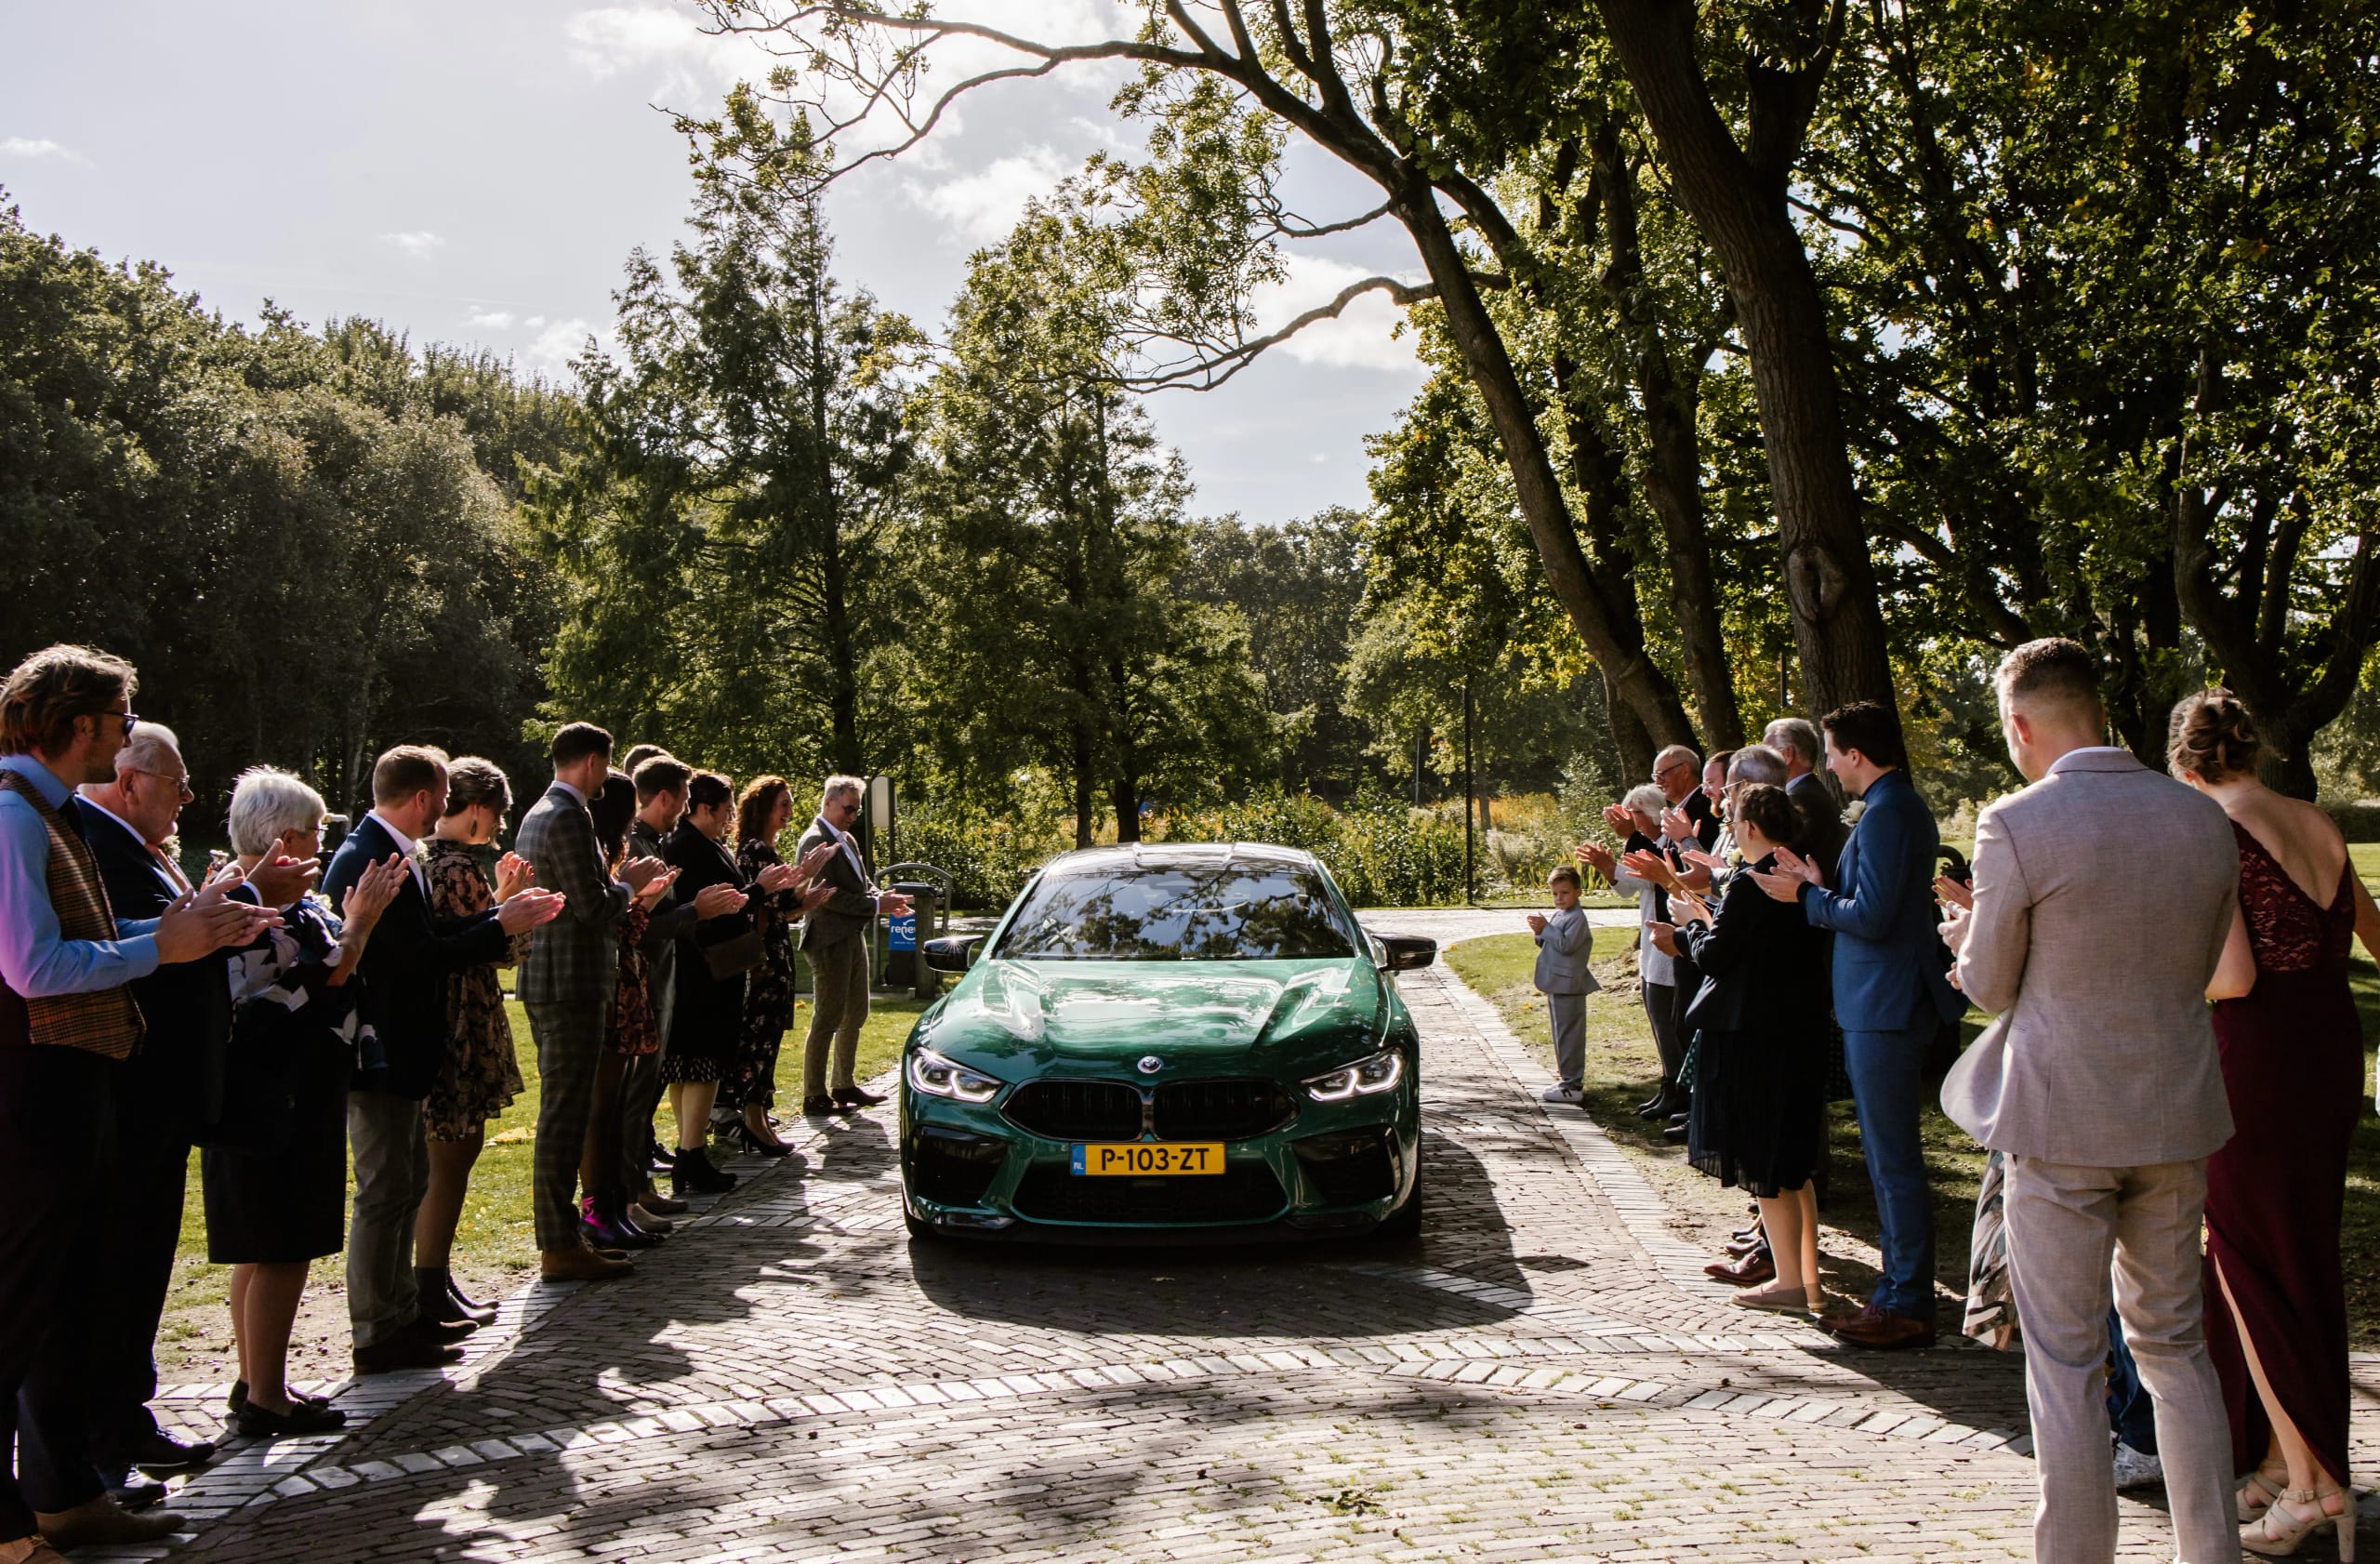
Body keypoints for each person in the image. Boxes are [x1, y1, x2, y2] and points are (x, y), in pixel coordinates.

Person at [1938, 637, 2239, 1564]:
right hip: (2173, 1108)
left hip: (2060, 1117)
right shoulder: (2201, 819)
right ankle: (2211, 1552)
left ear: (2021, 724)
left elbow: (1988, 983)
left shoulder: (2019, 821)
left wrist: (1961, 935)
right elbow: (2192, 962)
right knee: (2175, 1347)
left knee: (2066, 1361)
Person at [0, 645, 269, 1557]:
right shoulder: (13, 815)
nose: (122, 743)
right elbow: (31, 966)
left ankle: (63, 1495)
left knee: (69, 1300)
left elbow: (95, 936)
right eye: (119, 722)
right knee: (21, 1305)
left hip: (76, 1085)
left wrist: (190, 927)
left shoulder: (52, 812)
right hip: (31, 1092)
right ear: (82, 724)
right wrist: (164, 947)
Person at [2169, 689, 2372, 1553]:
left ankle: (2317, 1484)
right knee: (2302, 1252)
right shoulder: (2316, 820)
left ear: (2186, 768)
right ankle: (2287, 1465)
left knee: (2249, 1259)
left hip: (2255, 1055)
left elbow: (2236, 977)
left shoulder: (2209, 831)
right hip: (2331, 1047)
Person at [72, 724, 272, 1491]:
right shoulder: (96, 841)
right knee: (116, 1273)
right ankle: (102, 1441)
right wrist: (199, 922)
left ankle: (124, 1420)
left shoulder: (134, 847)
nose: (188, 799)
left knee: (142, 1268)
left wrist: (221, 915)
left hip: (161, 1098)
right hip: (132, 1091)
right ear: (130, 781)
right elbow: (115, 947)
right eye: (178, 784)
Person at [324, 746, 563, 1367]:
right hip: (381, 1049)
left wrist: (497, 915)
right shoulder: (370, 855)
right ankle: (379, 1329)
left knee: (407, 1184)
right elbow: (413, 958)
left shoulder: (394, 853)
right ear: (426, 799)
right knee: (384, 1191)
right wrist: (499, 923)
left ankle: (405, 1313)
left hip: (407, 1045)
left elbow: (424, 945)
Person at [1752, 700, 1962, 1350]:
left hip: (1886, 1002)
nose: (1834, 767)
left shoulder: (1890, 812)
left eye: (1836, 753)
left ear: (1856, 756)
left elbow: (1870, 917)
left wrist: (1807, 898)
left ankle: (1905, 1299)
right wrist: (1819, 877)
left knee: (1892, 1157)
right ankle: (1900, 1293)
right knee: (1886, 1152)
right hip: (1880, 998)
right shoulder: (1890, 809)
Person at [205, 768, 407, 1438]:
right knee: (278, 1246)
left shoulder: (296, 905)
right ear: (281, 838)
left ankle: (258, 1380)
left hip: (296, 1093)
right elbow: (298, 991)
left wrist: (349, 931)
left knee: (265, 1247)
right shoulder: (242, 910)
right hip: (272, 1099)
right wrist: (360, 926)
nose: (323, 842)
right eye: (314, 830)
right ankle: (266, 1395)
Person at [1655, 784, 1831, 1315]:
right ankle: (1807, 1278)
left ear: (1751, 827)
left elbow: (1719, 956)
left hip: (1757, 1036)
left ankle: (1790, 1284)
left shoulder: (1752, 885)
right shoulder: (1796, 876)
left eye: (1731, 818)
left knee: (1767, 1162)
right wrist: (1708, 918)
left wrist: (1686, 931)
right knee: (1793, 1164)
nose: (1727, 825)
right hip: (1797, 1029)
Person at [514, 723, 667, 1282]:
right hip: (571, 985)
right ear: (595, 762)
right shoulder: (570, 815)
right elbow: (593, 907)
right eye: (604, 765)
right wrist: (629, 885)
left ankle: (566, 1234)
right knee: (565, 1116)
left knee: (568, 1113)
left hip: (552, 981)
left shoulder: (537, 811)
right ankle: (558, 1242)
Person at [415, 757, 533, 1330]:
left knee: (445, 1152)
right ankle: (429, 1278)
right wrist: (514, 909)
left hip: (447, 1008)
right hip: (464, 1013)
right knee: (454, 1153)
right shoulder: (459, 866)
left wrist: (501, 897)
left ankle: (434, 1278)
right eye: (498, 813)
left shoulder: (427, 859)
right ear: (480, 809)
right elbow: (500, 947)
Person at [661, 771, 778, 1192]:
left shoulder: (703, 844)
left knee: (690, 1066)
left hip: (712, 967)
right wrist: (758, 890)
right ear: (705, 808)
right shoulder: (686, 847)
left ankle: (688, 1150)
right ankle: (690, 1154)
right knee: (700, 1064)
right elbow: (712, 906)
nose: (730, 817)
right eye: (726, 809)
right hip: (702, 969)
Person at [723, 776, 837, 1153]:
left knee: (769, 1037)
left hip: (775, 952)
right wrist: (803, 875)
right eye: (783, 805)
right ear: (763, 808)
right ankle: (751, 1121)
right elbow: (766, 903)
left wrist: (807, 898)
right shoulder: (754, 850)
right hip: (764, 960)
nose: (789, 812)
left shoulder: (764, 849)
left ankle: (758, 1120)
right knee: (759, 1039)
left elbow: (784, 908)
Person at [795, 777, 912, 1117]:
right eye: (848, 808)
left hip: (850, 936)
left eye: (857, 809)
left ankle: (843, 1083)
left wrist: (883, 898)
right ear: (828, 802)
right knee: (827, 1016)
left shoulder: (845, 839)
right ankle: (813, 1093)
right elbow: (828, 897)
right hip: (829, 939)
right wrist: (877, 907)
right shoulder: (815, 841)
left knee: (856, 1011)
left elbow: (863, 884)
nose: (852, 815)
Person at [1578, 783, 1686, 1121]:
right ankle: (1668, 1085)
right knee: (1657, 1017)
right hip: (1652, 944)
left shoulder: (1668, 844)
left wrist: (1627, 840)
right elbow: (1629, 885)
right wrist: (1606, 866)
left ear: (1653, 813)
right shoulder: (1649, 842)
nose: (1629, 818)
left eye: (1636, 812)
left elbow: (1651, 870)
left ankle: (1679, 1090)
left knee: (1668, 1019)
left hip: (1669, 942)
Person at [1527, 865, 1599, 1105]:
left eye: (1565, 893)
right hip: (1557, 983)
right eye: (1555, 893)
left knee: (1570, 1034)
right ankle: (1565, 1078)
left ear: (1578, 891)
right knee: (1561, 1034)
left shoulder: (1578, 918)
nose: (1559, 898)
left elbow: (1567, 946)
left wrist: (1546, 929)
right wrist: (1540, 931)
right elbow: (1550, 943)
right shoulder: (1561, 915)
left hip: (1569, 985)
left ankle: (1572, 1083)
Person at [1765, 716, 1845, 883]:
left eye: (1767, 753)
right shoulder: (1810, 793)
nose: (1762, 761)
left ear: (1787, 754)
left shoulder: (1798, 801)